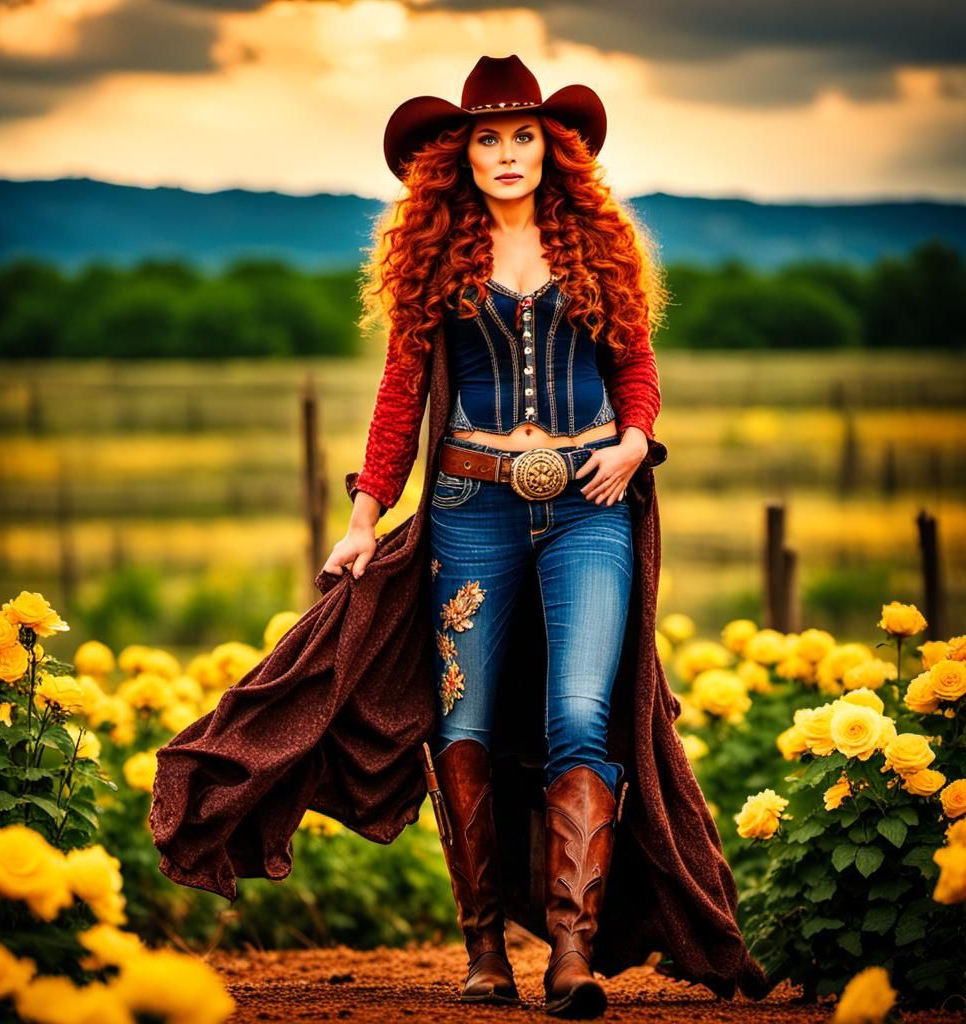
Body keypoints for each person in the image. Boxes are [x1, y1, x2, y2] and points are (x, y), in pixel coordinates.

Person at [321, 54, 668, 1019]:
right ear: (460, 156)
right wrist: (363, 517)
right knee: (462, 720)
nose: (508, 154)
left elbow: (634, 364)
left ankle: (571, 953)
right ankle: (484, 953)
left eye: (524, 136)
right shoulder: (436, 258)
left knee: (582, 717)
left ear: (552, 150)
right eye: (488, 138)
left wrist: (636, 443)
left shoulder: (602, 249)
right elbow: (400, 399)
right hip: (471, 513)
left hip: (591, 509)